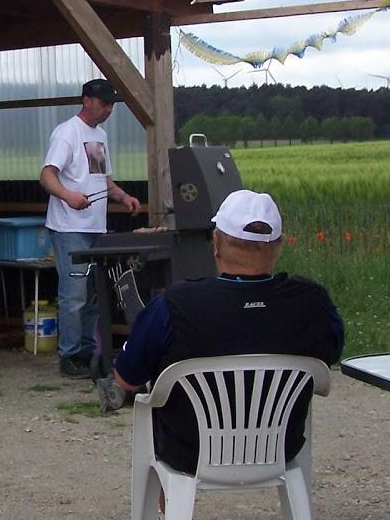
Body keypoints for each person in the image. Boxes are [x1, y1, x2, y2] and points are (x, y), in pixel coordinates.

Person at [111, 189, 344, 480]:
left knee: (157, 407)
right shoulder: (313, 302)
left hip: (190, 452)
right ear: (278, 246)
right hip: (280, 448)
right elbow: (330, 354)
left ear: (217, 245)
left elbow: (125, 378)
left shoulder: (174, 305)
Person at [40, 79, 141, 378]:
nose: (109, 108)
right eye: (104, 102)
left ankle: (87, 351)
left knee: (94, 294)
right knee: (74, 295)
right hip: (69, 227)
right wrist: (69, 196)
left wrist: (123, 196)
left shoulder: (100, 136)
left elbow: (102, 180)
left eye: (111, 104)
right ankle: (69, 355)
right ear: (87, 101)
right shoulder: (66, 133)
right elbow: (47, 176)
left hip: (96, 227)